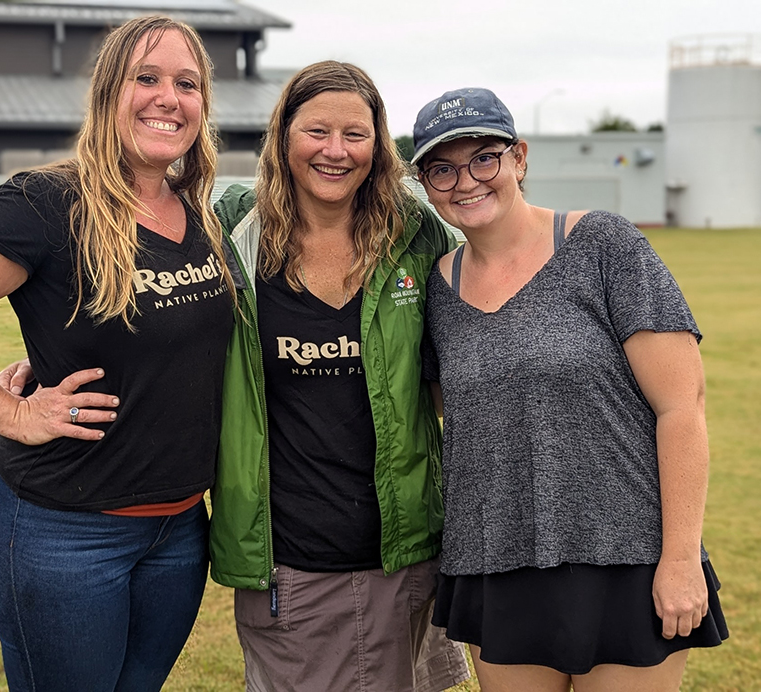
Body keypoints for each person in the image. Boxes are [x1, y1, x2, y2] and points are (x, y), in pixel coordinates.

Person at [0, 16, 235, 691]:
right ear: (107, 94)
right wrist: (12, 414)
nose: (168, 97)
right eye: (146, 78)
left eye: (187, 84)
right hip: (64, 534)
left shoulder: (199, 213)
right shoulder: (45, 203)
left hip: (178, 530)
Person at [412, 87, 729, 691]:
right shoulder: (435, 291)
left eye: (485, 157)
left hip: (625, 558)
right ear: (425, 183)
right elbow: (457, 420)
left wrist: (681, 558)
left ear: (520, 158)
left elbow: (681, 407)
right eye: (442, 168)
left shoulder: (604, 245)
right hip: (495, 561)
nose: (466, 181)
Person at [208, 61, 470, 691]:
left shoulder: (416, 236)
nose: (335, 151)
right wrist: (46, 365)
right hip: (293, 560)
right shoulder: (230, 233)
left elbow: (490, 312)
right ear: (282, 136)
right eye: (316, 131)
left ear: (379, 144)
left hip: (406, 553)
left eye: (355, 134)